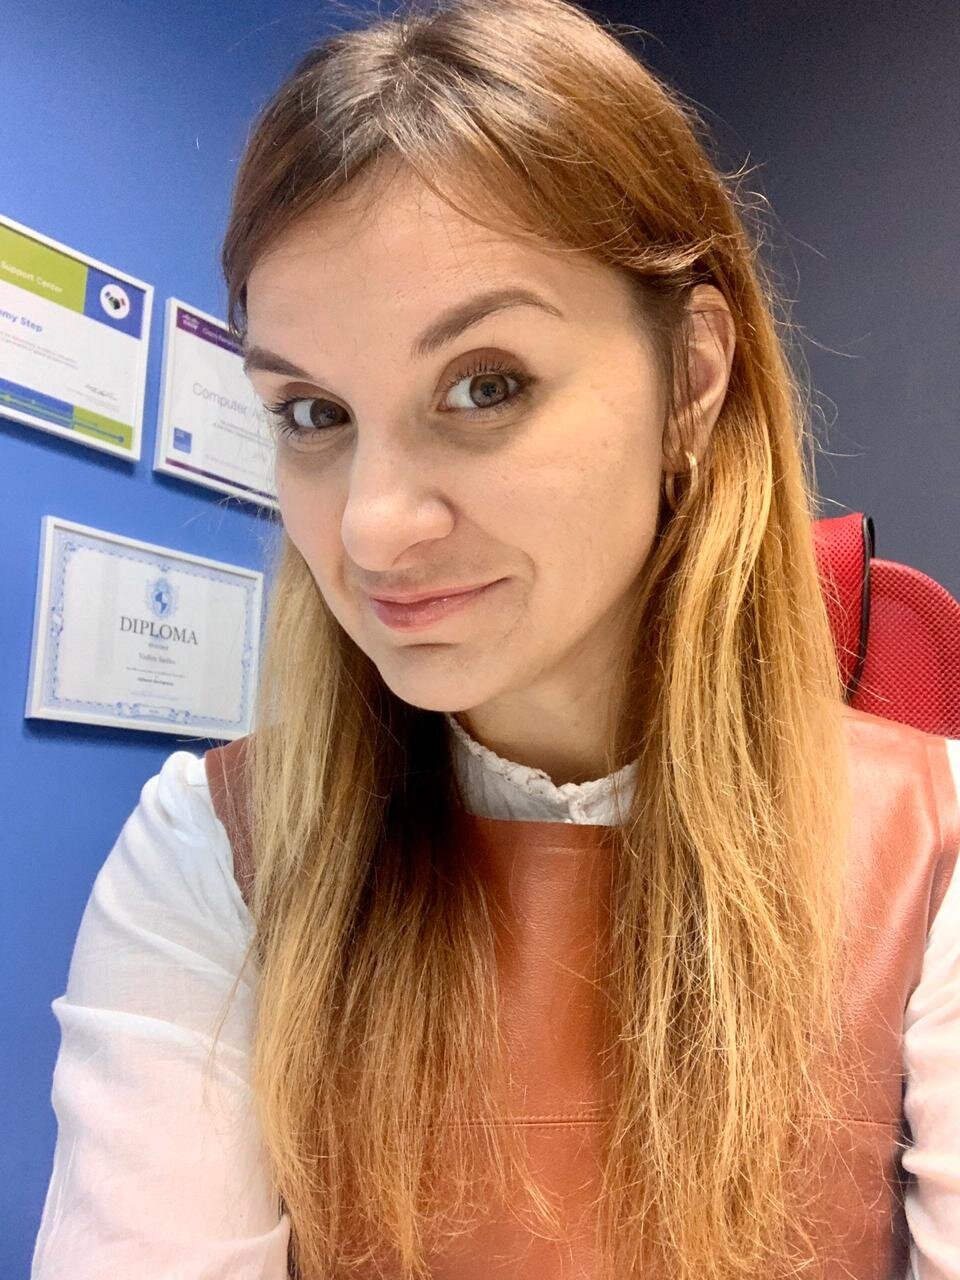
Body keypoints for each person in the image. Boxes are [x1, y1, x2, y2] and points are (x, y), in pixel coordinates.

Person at [31, 1, 960, 1278]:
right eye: (311, 411)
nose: (372, 527)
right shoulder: (211, 851)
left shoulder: (933, 845)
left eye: (485, 385)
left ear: (692, 379)